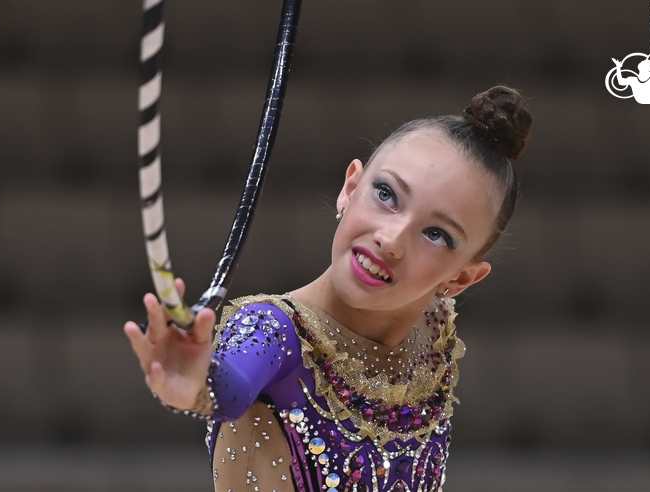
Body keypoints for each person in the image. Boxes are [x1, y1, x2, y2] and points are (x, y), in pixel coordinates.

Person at [124, 85, 533, 492]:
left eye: (437, 235)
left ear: (460, 278)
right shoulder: (273, 330)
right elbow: (227, 387)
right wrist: (196, 387)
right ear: (350, 188)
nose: (391, 239)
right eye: (386, 194)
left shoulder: (431, 330)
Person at [612, 5, 650, 104]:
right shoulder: (635, 80)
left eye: (647, 61)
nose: (645, 59)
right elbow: (621, 82)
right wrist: (618, 67)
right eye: (648, 61)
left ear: (649, 69)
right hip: (649, 97)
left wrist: (618, 67)